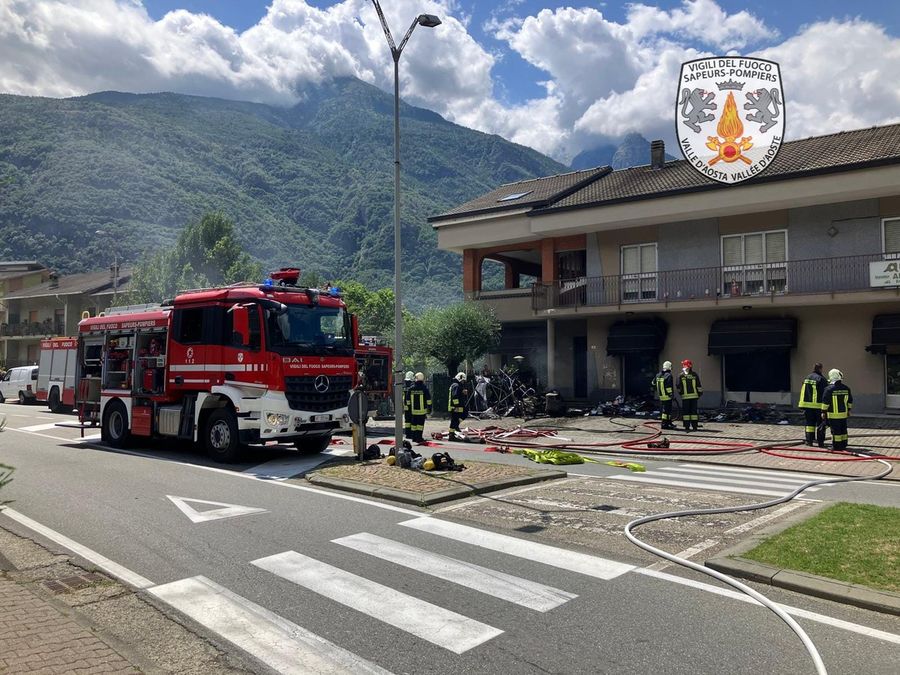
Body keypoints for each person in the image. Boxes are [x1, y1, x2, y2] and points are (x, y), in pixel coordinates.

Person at [821, 369, 852, 450]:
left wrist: (823, 412)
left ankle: (837, 446)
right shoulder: (846, 388)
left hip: (833, 415)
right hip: (844, 414)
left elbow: (825, 402)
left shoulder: (828, 389)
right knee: (843, 430)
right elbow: (850, 401)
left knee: (836, 431)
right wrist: (849, 410)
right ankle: (844, 444)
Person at [798, 362, 827, 447]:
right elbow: (825, 393)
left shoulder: (807, 377)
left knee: (809, 424)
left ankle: (809, 441)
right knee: (821, 425)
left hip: (808, 406)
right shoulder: (821, 379)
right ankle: (820, 443)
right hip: (818, 406)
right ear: (820, 369)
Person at [677, 359, 702, 431]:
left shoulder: (681, 375)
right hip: (694, 397)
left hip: (685, 398)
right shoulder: (694, 375)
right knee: (694, 412)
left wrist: (681, 394)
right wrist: (699, 394)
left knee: (686, 413)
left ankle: (687, 427)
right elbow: (699, 385)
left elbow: (678, 386)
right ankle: (694, 426)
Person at [407, 372, 432, 443]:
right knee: (420, 425)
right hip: (422, 411)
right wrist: (429, 408)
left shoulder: (411, 388)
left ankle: (414, 437)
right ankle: (419, 438)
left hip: (413, 411)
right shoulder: (424, 388)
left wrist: (409, 408)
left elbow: (407, 400)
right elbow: (428, 399)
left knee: (414, 425)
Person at [652, 361, 676, 430]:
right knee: (666, 411)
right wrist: (671, 395)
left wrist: (657, 389)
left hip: (661, 396)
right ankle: (664, 424)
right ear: (669, 367)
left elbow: (653, 383)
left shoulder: (658, 375)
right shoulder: (669, 375)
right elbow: (669, 387)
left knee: (666, 411)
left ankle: (668, 423)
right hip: (667, 396)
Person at [402, 371, 414, 438]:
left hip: (406, 406)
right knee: (412, 420)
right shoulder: (412, 387)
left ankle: (407, 434)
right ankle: (411, 433)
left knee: (407, 421)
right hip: (411, 406)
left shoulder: (404, 386)